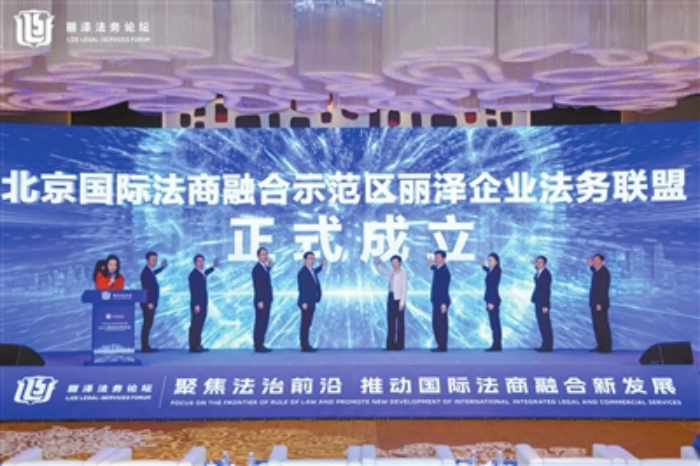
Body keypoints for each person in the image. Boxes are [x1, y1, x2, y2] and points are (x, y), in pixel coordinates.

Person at [374, 255, 408, 351]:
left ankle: (400, 345)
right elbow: (385, 271)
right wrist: (378, 265)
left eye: (395, 262)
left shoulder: (403, 273)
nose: (394, 264)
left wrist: (402, 302)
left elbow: (404, 288)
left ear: (399, 263)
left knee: (400, 323)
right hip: (391, 297)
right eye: (392, 262)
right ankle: (390, 344)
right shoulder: (392, 272)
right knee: (391, 321)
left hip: (399, 299)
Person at [188, 254, 218, 353]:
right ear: (195, 263)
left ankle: (198, 344)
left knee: (200, 324)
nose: (201, 263)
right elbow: (193, 291)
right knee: (195, 325)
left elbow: (205, 273)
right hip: (197, 304)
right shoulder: (193, 275)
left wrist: (213, 267)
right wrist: (196, 304)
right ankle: (193, 346)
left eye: (202, 261)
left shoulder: (201, 273)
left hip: (203, 303)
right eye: (199, 261)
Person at [139, 251, 168, 353]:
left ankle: (146, 346)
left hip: (150, 302)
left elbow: (154, 273)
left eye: (156, 260)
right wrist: (149, 302)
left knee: (148, 324)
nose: (155, 262)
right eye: (153, 260)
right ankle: (145, 346)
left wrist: (162, 268)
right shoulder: (145, 272)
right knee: (147, 324)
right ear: (148, 260)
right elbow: (146, 288)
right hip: (148, 303)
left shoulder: (149, 271)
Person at [297, 252, 326, 353]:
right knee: (305, 324)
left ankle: (306, 344)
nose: (312, 260)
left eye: (313, 258)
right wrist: (303, 302)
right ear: (305, 260)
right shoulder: (302, 272)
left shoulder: (311, 271)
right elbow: (302, 288)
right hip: (306, 302)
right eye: (310, 258)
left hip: (312, 301)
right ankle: (304, 345)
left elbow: (315, 273)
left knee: (308, 324)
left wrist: (321, 266)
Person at [588, 253, 612, 353]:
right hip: (594, 303)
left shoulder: (604, 272)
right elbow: (593, 270)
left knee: (602, 325)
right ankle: (600, 345)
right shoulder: (597, 271)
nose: (595, 262)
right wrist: (590, 265)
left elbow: (603, 290)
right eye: (594, 260)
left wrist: (599, 303)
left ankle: (606, 347)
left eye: (597, 260)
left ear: (602, 261)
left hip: (600, 304)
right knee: (597, 325)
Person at [428, 250, 451, 352]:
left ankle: (442, 346)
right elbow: (434, 268)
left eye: (437, 257)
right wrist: (430, 266)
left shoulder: (445, 271)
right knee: (436, 323)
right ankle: (440, 345)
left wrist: (444, 303)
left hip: (441, 302)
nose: (435, 259)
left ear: (443, 258)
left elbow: (444, 289)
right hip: (436, 301)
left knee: (441, 324)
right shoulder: (438, 269)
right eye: (435, 257)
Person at [252, 247, 274, 353]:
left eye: (266, 254)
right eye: (263, 254)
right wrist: (259, 300)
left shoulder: (264, 268)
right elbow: (257, 286)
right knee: (260, 322)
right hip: (261, 300)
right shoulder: (257, 269)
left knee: (264, 322)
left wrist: (270, 267)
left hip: (267, 299)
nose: (265, 256)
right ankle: (258, 345)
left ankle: (260, 343)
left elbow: (264, 278)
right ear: (258, 256)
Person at [480, 253, 502, 352]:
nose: (489, 262)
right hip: (490, 300)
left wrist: (491, 302)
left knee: (495, 323)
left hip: (493, 300)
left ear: (496, 261)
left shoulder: (497, 271)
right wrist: (482, 266)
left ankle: (497, 345)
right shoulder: (491, 270)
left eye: (492, 260)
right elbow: (488, 270)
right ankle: (495, 344)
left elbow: (493, 287)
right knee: (493, 323)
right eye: (488, 260)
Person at [531, 255, 553, 352]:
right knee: (541, 324)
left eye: (540, 262)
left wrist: (545, 305)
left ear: (545, 264)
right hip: (538, 301)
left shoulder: (546, 274)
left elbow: (546, 291)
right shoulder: (539, 272)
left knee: (545, 324)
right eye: (537, 262)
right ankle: (545, 344)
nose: (538, 264)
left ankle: (547, 345)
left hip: (543, 303)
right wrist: (534, 263)